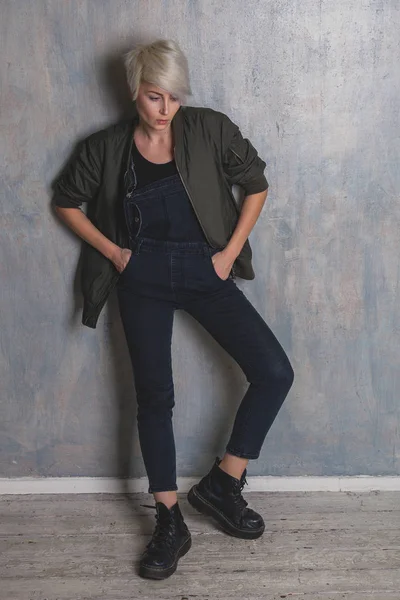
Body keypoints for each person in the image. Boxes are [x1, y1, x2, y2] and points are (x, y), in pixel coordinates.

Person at [53, 39, 294, 580]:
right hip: (143, 278)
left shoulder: (209, 128)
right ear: (135, 92)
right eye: (155, 97)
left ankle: (223, 484)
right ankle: (169, 519)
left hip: (205, 269)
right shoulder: (107, 147)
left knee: (274, 371)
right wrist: (116, 253)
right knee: (155, 397)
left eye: (174, 98)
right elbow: (66, 200)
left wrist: (228, 255)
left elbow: (255, 182)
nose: (166, 111)